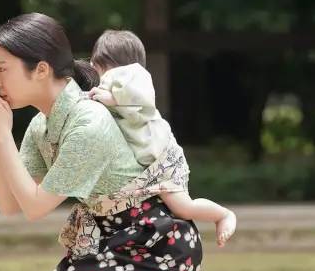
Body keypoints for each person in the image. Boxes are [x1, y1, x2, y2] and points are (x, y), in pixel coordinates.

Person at [0, 12, 230, 271]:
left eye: (2, 68)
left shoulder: (88, 123)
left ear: (40, 69)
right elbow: (10, 204)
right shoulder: (41, 125)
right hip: (110, 242)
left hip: (157, 244)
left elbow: (36, 208)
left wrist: (2, 135)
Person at [87, 30, 236, 247]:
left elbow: (141, 98)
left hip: (163, 159)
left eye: (104, 67)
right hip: (147, 165)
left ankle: (222, 215)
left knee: (183, 207)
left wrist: (111, 98)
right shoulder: (111, 82)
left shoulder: (134, 77)